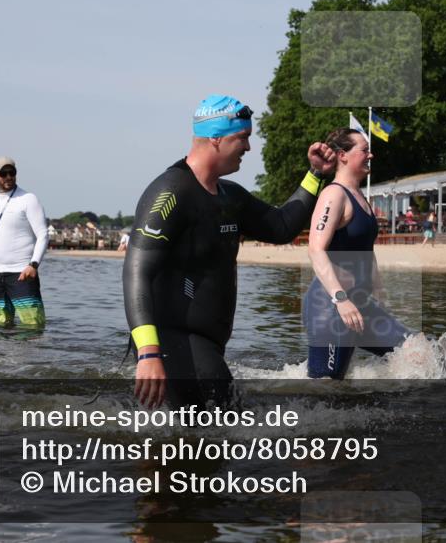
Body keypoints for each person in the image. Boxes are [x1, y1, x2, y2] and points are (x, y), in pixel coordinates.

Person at [123, 95, 336, 408]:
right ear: (215, 138)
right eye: (243, 138)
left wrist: (315, 175)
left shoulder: (230, 197)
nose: (248, 148)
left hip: (208, 344)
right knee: (227, 430)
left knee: (210, 438)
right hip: (172, 342)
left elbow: (280, 226)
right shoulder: (171, 192)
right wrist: (149, 353)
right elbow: (136, 273)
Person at [304, 128, 412, 379]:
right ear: (342, 155)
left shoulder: (360, 197)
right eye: (364, 150)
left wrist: (380, 296)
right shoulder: (334, 194)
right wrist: (340, 299)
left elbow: (367, 251)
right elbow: (315, 249)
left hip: (361, 304)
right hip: (330, 307)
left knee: (417, 351)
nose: (370, 155)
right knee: (326, 391)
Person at [0, 157, 49, 329]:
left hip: (22, 274)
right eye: (3, 173)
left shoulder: (28, 199)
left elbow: (43, 235)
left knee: (32, 327)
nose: (8, 177)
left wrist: (33, 265)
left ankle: (33, 357)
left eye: (11, 173)